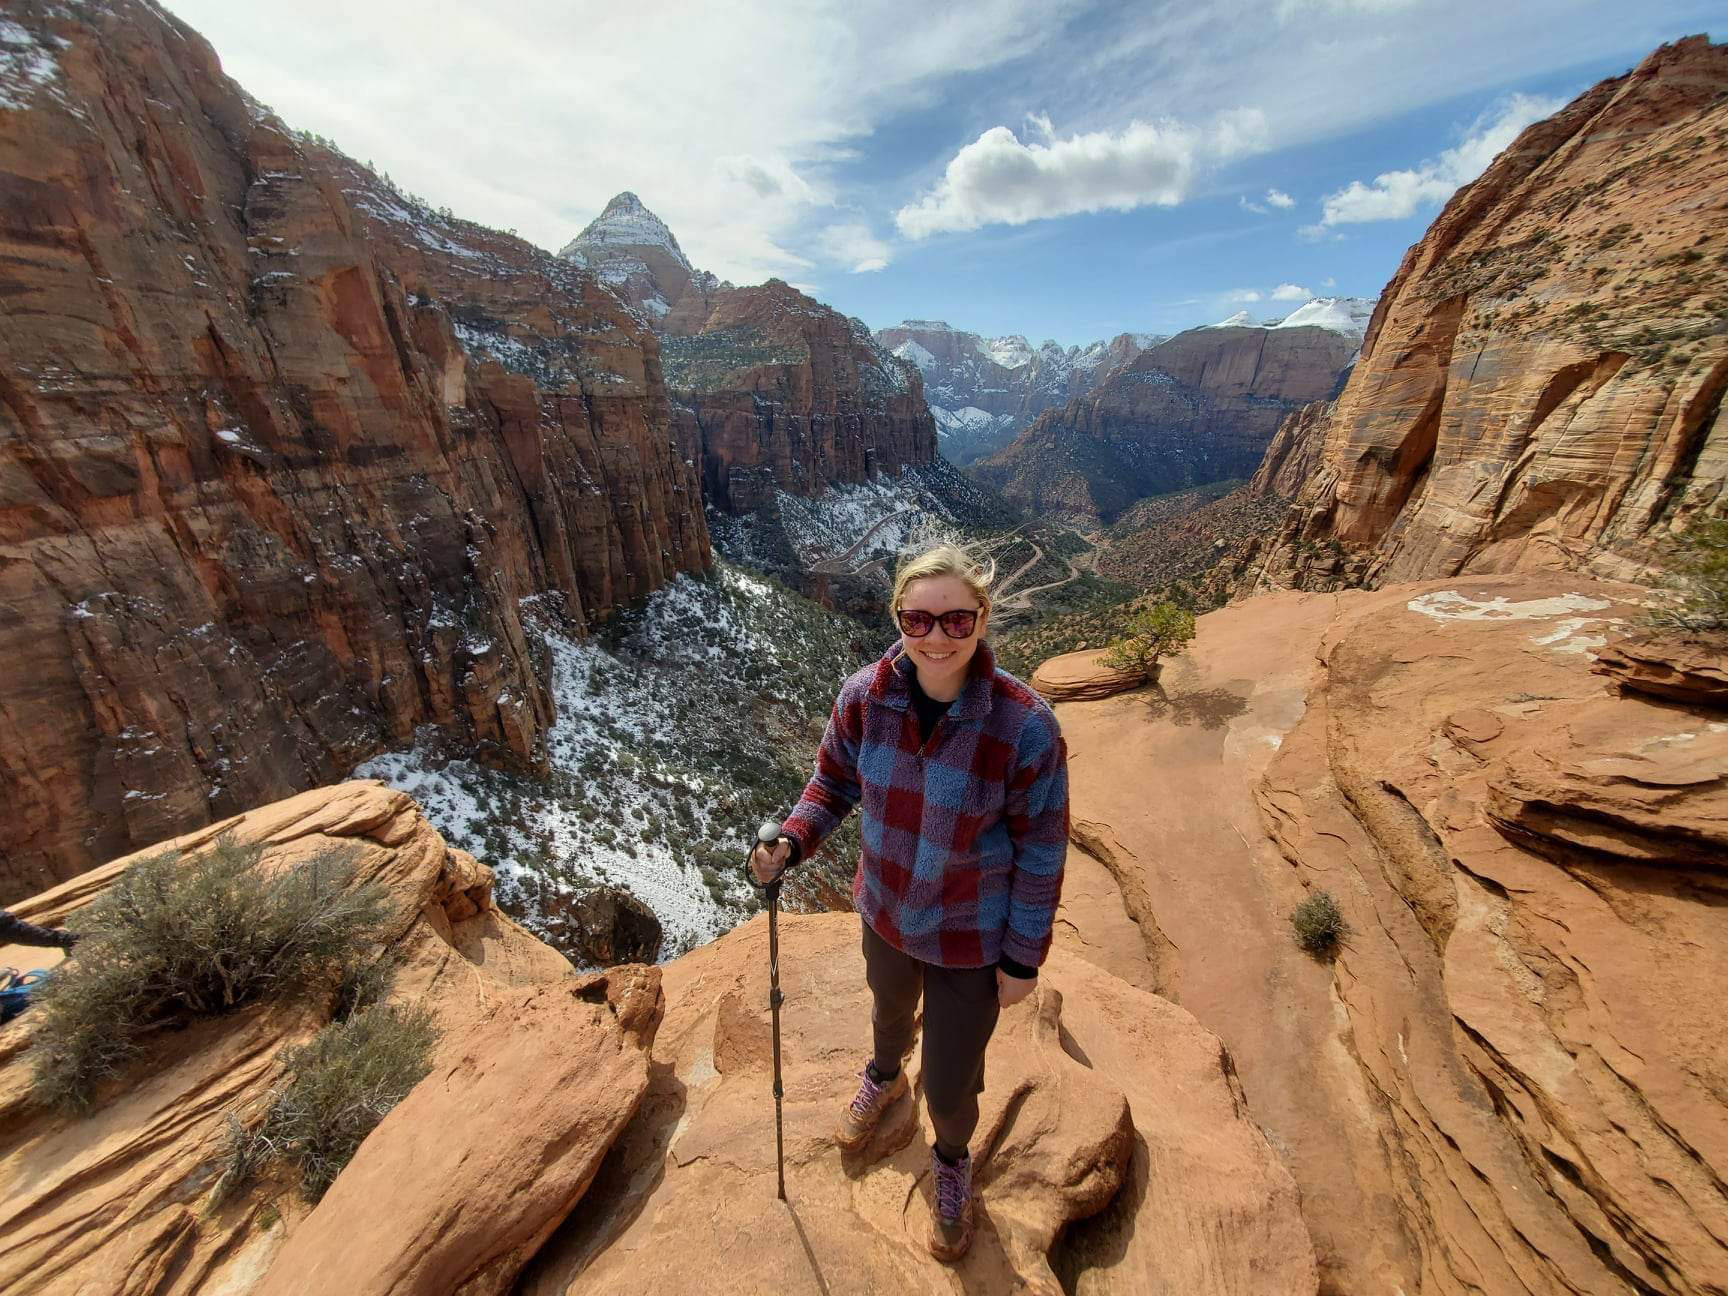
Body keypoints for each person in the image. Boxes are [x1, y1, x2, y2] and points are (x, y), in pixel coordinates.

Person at [751, 540, 1069, 1263]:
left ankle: (951, 1158)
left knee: (955, 1078)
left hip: (970, 935)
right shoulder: (865, 696)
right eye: (917, 620)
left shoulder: (1025, 726)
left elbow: (1043, 850)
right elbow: (831, 786)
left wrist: (1023, 959)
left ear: (982, 618)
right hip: (888, 912)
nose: (935, 637)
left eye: (956, 621)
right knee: (887, 1012)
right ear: (898, 619)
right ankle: (885, 1077)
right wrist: (791, 845)